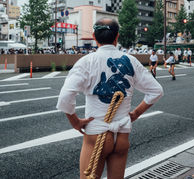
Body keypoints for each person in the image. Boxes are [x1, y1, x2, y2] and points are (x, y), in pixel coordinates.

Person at [56, 18, 163, 179]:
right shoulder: (131, 61)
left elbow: (65, 97)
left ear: (94, 36)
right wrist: (135, 114)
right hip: (121, 135)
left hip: (96, 135)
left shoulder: (87, 62)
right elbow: (156, 91)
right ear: (117, 36)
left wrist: (75, 122)